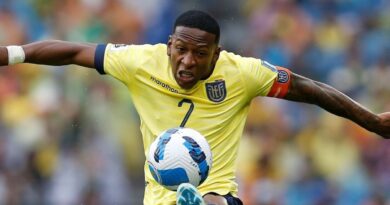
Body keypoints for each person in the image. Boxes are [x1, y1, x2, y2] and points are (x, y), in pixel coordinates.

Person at [0, 10, 389, 205]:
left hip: (221, 195)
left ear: (216, 54)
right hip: (157, 200)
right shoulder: (140, 61)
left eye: (199, 54)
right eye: (180, 50)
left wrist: (370, 120)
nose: (187, 61)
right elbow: (71, 51)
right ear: (169, 44)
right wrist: (10, 53)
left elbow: (311, 89)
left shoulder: (243, 72)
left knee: (215, 200)